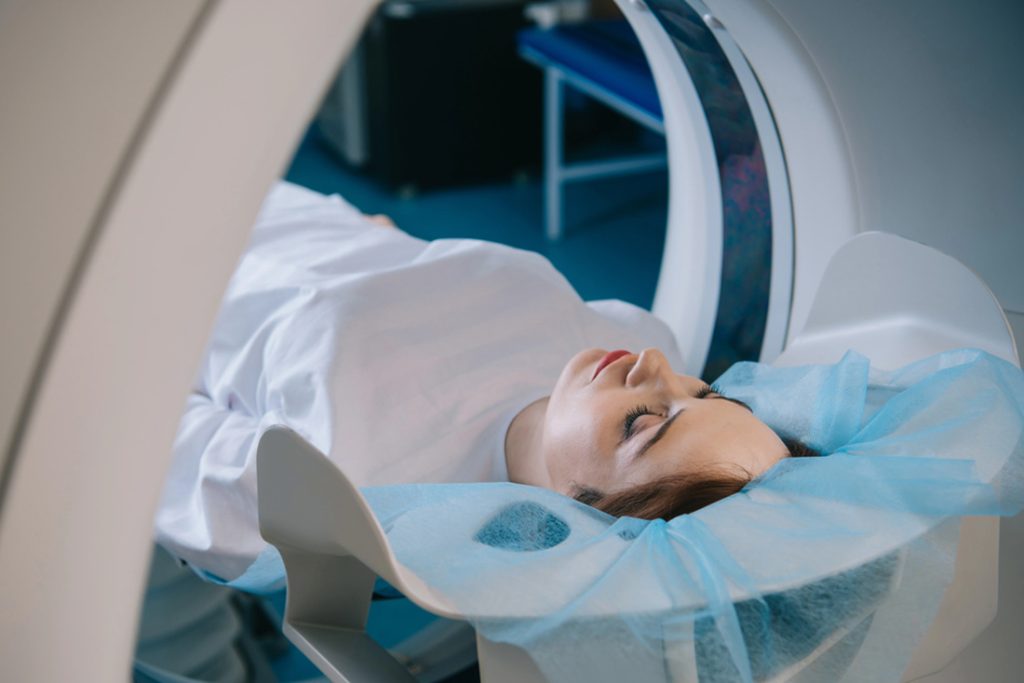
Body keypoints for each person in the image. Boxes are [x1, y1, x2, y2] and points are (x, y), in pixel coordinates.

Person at [155, 181, 812, 583]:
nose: (654, 367)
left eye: (642, 421)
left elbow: (153, 441)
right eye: (704, 393)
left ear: (583, 515)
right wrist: (384, 248)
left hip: (166, 271)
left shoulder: (351, 483)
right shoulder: (607, 351)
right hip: (304, 216)